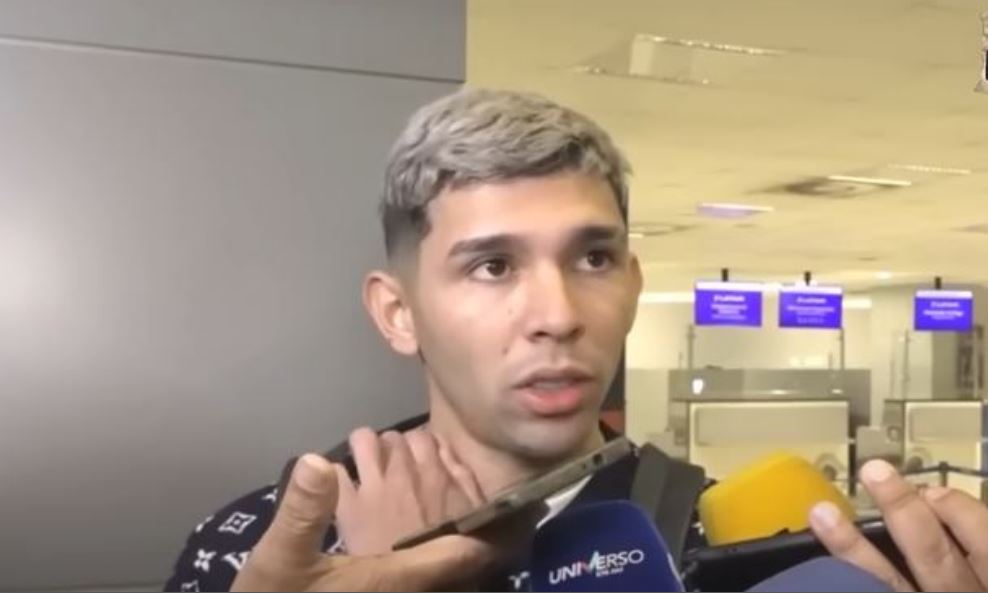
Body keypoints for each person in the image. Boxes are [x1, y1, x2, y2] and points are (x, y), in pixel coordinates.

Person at [165, 88, 988, 592]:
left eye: (593, 258)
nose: (557, 313)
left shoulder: (748, 552)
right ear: (397, 311)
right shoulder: (257, 550)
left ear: (632, 283)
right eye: (492, 266)